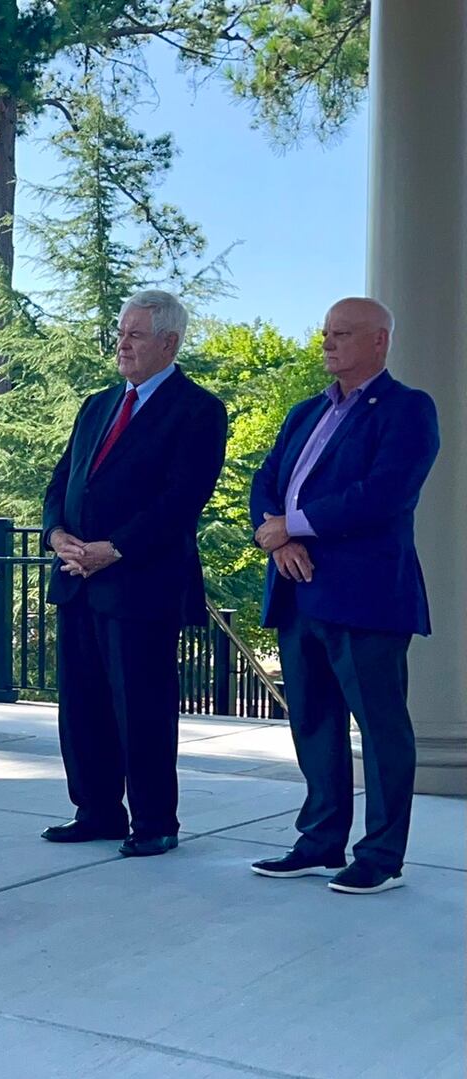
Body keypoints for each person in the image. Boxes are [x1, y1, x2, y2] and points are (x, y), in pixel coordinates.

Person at [247, 297, 439, 895]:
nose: (328, 343)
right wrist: (277, 540)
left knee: (380, 729)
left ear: (380, 341)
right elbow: (266, 481)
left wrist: (294, 526)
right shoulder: (307, 410)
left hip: (365, 598)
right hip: (298, 590)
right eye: (327, 332)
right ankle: (320, 843)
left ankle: (381, 857)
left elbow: (383, 495)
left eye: (344, 334)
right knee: (314, 723)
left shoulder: (407, 409)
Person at [41, 290, 226, 856]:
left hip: (139, 585)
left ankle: (154, 822)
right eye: (121, 332)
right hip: (77, 580)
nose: (122, 343)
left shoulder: (197, 410)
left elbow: (180, 501)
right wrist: (57, 536)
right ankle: (96, 811)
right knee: (81, 705)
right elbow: (60, 483)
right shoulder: (97, 405)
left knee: (141, 706)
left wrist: (114, 548)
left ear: (168, 342)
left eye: (136, 334)